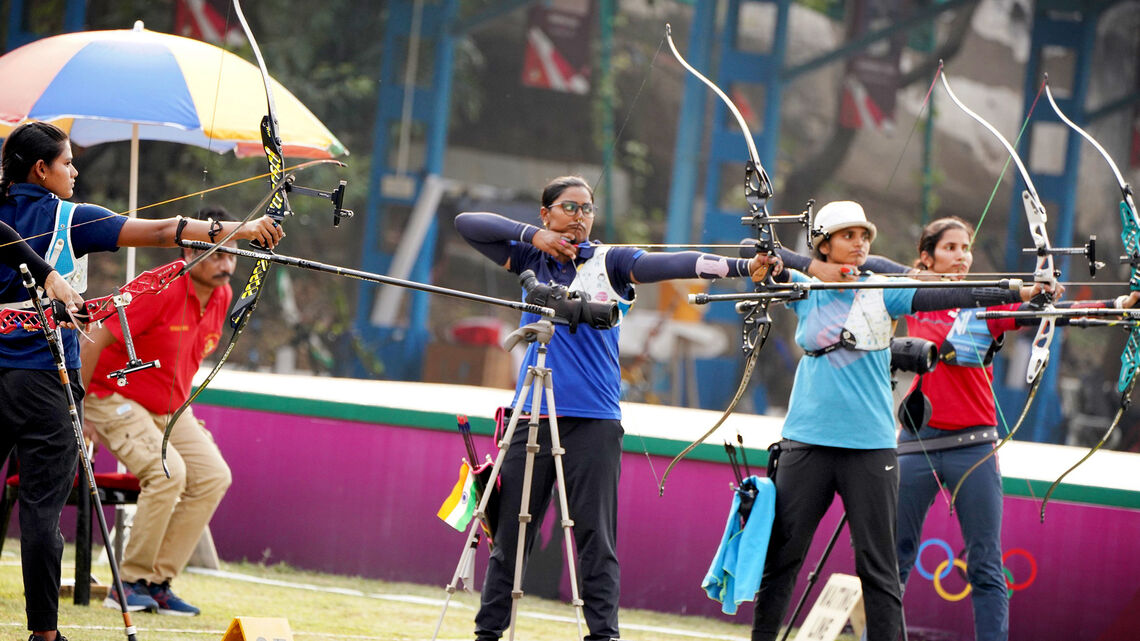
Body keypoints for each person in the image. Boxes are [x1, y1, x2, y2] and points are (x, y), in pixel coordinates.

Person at [454, 175, 779, 641]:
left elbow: (676, 263)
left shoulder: (612, 261)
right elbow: (468, 221)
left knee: (595, 541)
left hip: (594, 422)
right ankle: (488, 634)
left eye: (587, 209)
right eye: (569, 207)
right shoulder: (528, 256)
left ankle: (604, 636)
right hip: (533, 416)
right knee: (510, 538)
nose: (580, 217)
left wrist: (741, 265)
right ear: (545, 213)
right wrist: (534, 237)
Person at [0, 121, 281, 641]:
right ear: (41, 169)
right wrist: (243, 229)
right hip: (42, 381)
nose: (74, 170)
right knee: (41, 513)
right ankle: (44, 635)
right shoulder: (68, 219)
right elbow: (159, 231)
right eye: (66, 162)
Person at [749, 201, 1048, 641]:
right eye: (848, 237)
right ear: (824, 243)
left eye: (864, 237)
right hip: (805, 441)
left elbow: (953, 293)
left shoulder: (885, 288)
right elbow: (762, 259)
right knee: (783, 558)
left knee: (879, 567)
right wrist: (799, 269)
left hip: (869, 447)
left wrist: (1017, 291)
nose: (859, 245)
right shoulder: (804, 284)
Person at [888, 217, 1136, 641]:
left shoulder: (987, 305)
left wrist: (1116, 307)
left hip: (973, 447)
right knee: (893, 562)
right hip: (916, 444)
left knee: (985, 564)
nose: (962, 256)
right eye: (950, 248)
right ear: (926, 257)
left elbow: (1051, 315)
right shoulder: (908, 298)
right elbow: (878, 289)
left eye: (966, 248)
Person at [80, 206, 239, 616]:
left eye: (232, 253)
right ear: (188, 254)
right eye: (216, 252)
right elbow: (94, 336)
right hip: (111, 397)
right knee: (169, 473)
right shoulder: (162, 287)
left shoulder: (222, 295)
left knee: (213, 476)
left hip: (168, 408)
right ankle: (127, 582)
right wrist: (77, 407)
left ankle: (157, 582)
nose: (226, 263)